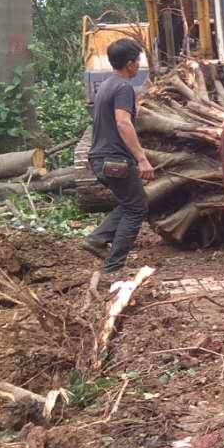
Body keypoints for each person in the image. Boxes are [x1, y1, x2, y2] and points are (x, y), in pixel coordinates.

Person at [84, 37, 155, 276]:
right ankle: (113, 267)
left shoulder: (107, 84)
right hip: (115, 160)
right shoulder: (124, 87)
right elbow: (123, 123)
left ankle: (97, 239)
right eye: (137, 61)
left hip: (99, 159)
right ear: (129, 63)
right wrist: (142, 158)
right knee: (136, 209)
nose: (138, 66)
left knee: (130, 204)